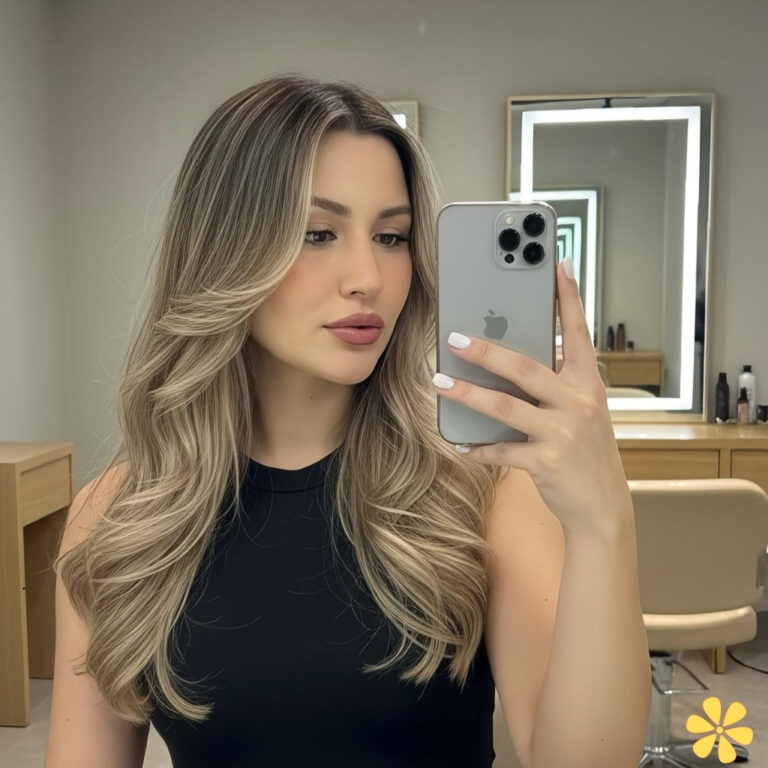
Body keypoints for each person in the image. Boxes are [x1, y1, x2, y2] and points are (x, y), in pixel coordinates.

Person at [44, 73, 650, 768]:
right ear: (225, 251)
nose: (367, 275)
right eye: (319, 232)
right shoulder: (115, 521)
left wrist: (605, 523)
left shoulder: (479, 493)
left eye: (392, 238)